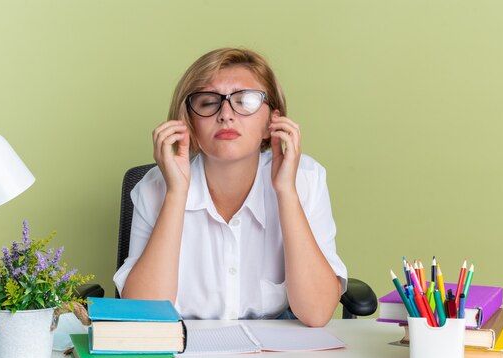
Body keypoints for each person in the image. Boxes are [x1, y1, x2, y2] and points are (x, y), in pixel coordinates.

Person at [113, 48, 347, 327]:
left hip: (275, 356)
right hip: (187, 351)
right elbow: (143, 315)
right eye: (208, 102)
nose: (226, 114)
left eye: (245, 100)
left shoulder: (304, 179)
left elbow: (317, 313)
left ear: (271, 122)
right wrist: (176, 194)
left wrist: (286, 193)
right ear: (189, 122)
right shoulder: (154, 188)